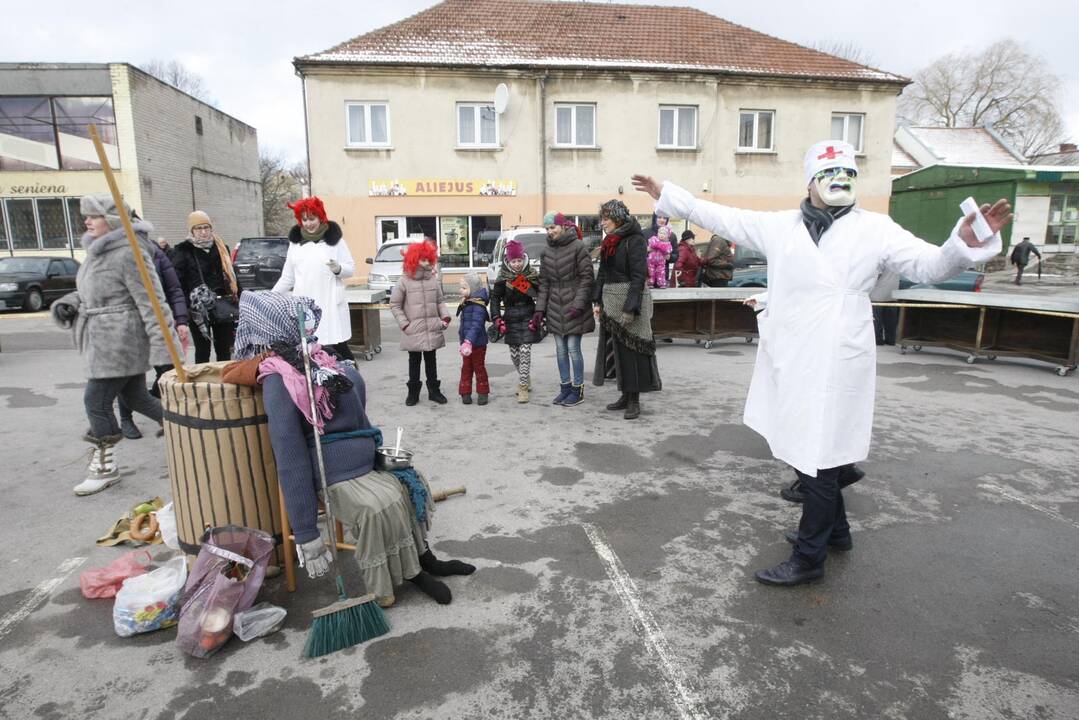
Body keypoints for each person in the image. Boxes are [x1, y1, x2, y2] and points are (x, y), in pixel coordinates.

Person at [635, 139, 1011, 586]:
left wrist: (962, 243)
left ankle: (810, 555)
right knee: (805, 443)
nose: (840, 182)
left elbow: (929, 266)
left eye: (849, 175)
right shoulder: (781, 226)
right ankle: (839, 533)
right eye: (830, 175)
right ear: (811, 182)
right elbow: (724, 217)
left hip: (838, 352)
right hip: (792, 352)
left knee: (817, 453)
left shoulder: (877, 228)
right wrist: (668, 196)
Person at [230, 291, 474, 607]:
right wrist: (306, 532)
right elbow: (289, 459)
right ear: (276, 327)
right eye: (298, 321)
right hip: (332, 473)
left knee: (409, 485)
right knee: (376, 507)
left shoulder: (323, 361)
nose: (308, 326)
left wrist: (377, 450)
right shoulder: (280, 380)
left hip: (362, 459)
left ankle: (426, 559)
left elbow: (359, 413)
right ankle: (406, 576)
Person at [51, 193, 178, 496]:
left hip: (119, 342)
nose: (86, 221)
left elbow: (153, 303)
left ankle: (105, 467)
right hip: (102, 338)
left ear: (111, 220)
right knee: (136, 398)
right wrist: (68, 304)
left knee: (95, 402)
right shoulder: (97, 252)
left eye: (93, 215)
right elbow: (89, 294)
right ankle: (191, 433)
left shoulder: (130, 253)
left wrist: (165, 347)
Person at [591, 199, 661, 420]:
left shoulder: (635, 240)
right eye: (601, 218)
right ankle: (624, 394)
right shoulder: (610, 241)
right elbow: (603, 272)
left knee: (634, 351)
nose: (602, 223)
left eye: (606, 218)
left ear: (618, 218)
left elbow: (639, 276)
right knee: (619, 352)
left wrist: (631, 308)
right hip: (611, 300)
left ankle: (634, 401)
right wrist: (597, 299)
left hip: (632, 300)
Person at [117, 241, 190, 438]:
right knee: (129, 376)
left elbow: (174, 289)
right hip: (129, 326)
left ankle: (161, 412)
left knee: (167, 371)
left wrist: (181, 320)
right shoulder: (115, 255)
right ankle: (126, 419)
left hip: (158, 323)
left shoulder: (157, 255)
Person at [272, 196, 357, 361]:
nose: (309, 223)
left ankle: (352, 382)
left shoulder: (336, 241)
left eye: (312, 218)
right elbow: (287, 278)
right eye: (304, 219)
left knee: (337, 349)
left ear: (320, 217)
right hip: (305, 307)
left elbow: (350, 269)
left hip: (330, 304)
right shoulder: (295, 245)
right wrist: (270, 297)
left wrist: (339, 268)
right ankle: (319, 385)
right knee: (310, 352)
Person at [537, 212, 595, 406]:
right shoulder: (546, 251)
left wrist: (579, 305)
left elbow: (587, 278)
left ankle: (578, 390)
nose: (550, 231)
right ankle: (565, 388)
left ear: (562, 226)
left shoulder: (578, 247)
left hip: (574, 305)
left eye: (552, 227)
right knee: (560, 350)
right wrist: (539, 310)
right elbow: (544, 283)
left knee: (572, 348)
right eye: (547, 228)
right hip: (554, 306)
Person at [171, 211, 239, 363]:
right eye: (198, 228)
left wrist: (238, 297)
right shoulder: (183, 251)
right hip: (198, 309)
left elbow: (231, 275)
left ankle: (223, 384)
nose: (203, 232)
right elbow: (178, 283)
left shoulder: (221, 248)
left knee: (224, 350)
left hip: (223, 304)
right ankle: (202, 384)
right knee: (202, 351)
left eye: (206, 227)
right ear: (192, 230)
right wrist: (184, 308)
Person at [389, 242, 450, 406]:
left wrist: (444, 317)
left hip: (432, 328)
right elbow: (395, 304)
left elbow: (440, 301)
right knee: (414, 362)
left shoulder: (433, 280)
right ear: (414, 259)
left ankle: (434, 391)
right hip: (413, 331)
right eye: (423, 259)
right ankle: (413, 393)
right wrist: (405, 325)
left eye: (429, 260)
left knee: (431, 361)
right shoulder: (404, 281)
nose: (427, 263)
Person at [489, 239, 543, 404]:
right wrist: (497, 317)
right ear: (508, 261)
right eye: (514, 261)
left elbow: (541, 295)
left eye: (519, 260)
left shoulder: (532, 274)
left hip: (528, 315)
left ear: (524, 258)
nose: (517, 264)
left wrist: (540, 315)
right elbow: (495, 299)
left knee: (525, 351)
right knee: (515, 355)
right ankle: (525, 377)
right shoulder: (503, 277)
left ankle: (523, 387)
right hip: (511, 317)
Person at [456, 273, 490, 405]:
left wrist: (468, 341)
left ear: (473, 288)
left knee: (479, 368)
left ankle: (483, 393)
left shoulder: (478, 305)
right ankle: (465, 392)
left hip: (478, 344)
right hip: (466, 345)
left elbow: (476, 325)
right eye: (460, 287)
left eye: (464, 288)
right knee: (466, 368)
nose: (461, 290)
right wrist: (464, 341)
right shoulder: (467, 302)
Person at [870, 271, 900, 346]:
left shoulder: (880, 260)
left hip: (877, 295)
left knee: (876, 320)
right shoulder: (896, 262)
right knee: (891, 320)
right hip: (892, 294)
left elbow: (875, 276)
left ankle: (878, 339)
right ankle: (891, 340)